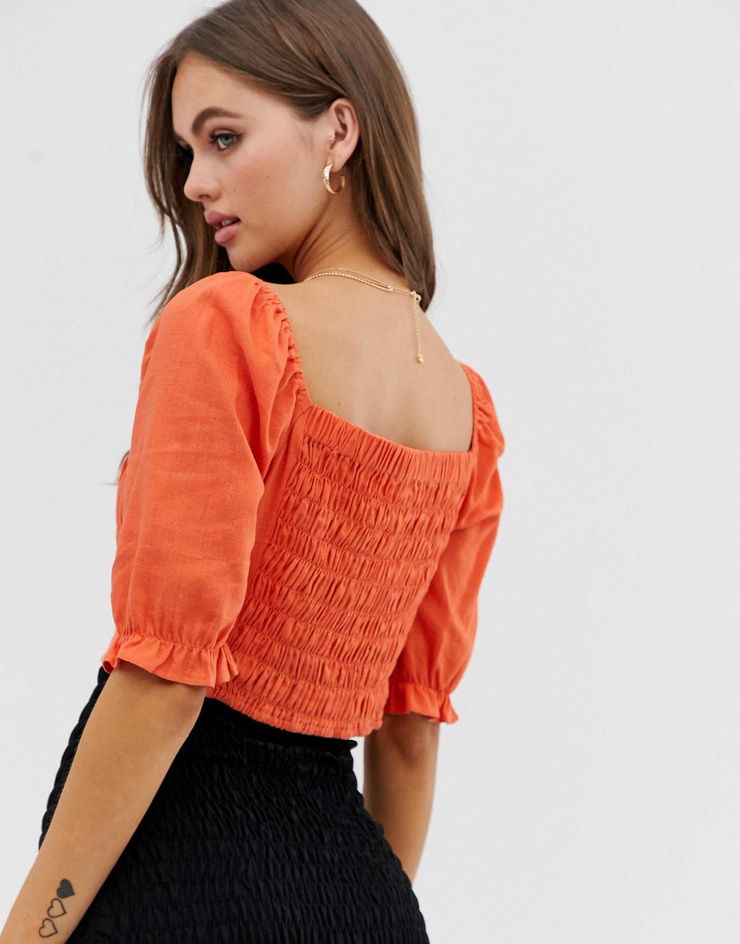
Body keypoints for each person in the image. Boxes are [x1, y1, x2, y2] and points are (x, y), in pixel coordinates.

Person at [0, 0, 505, 941]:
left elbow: (164, 683)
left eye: (224, 137)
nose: (197, 181)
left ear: (339, 130)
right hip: (363, 900)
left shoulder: (230, 324)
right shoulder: (466, 410)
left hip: (184, 878)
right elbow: (408, 730)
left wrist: (30, 933)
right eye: (188, 152)